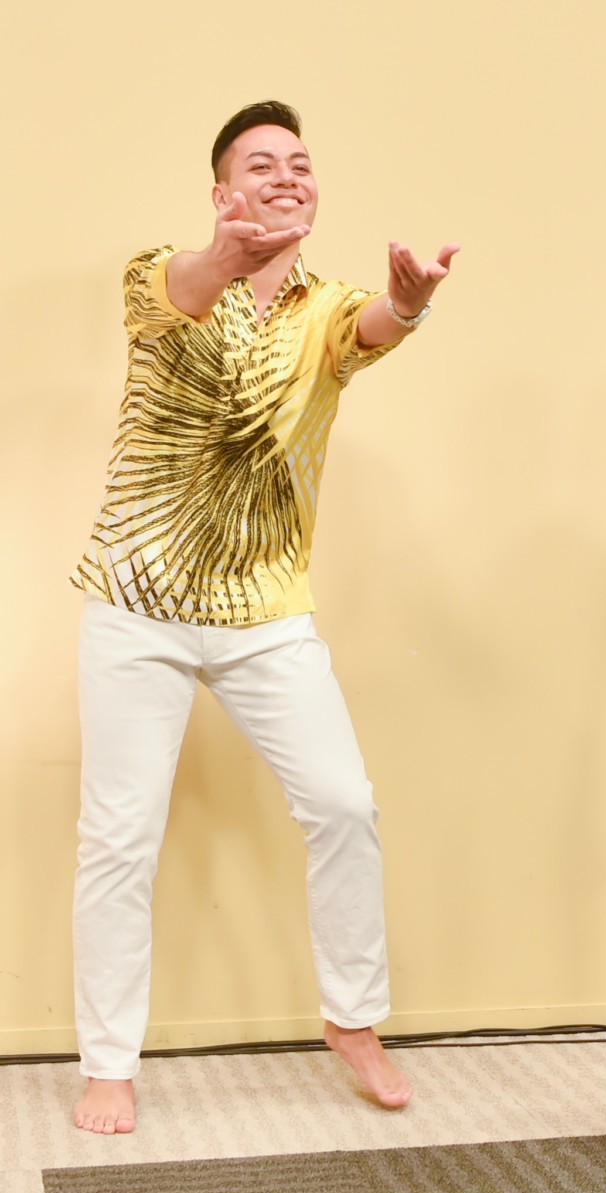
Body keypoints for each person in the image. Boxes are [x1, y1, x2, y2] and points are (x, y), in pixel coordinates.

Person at [69, 100, 458, 1135]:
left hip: (264, 613)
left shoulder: (327, 308)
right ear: (221, 191)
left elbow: (373, 329)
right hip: (136, 604)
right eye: (261, 164)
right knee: (119, 837)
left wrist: (407, 303)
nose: (286, 176)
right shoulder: (158, 273)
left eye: (300, 163)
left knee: (343, 806)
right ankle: (109, 1063)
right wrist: (224, 256)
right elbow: (188, 288)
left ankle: (352, 1019)